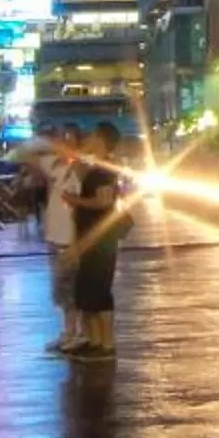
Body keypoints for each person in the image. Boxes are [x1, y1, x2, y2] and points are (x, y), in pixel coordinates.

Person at [63, 124, 132, 362]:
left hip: (101, 239)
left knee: (99, 291)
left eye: (92, 136)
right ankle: (94, 341)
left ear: (101, 140)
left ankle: (106, 344)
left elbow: (103, 202)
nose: (88, 138)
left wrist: (74, 200)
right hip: (92, 237)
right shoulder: (97, 166)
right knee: (87, 291)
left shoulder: (104, 170)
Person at [39, 131, 86, 354]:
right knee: (60, 291)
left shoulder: (78, 170)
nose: (61, 145)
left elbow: (78, 209)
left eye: (67, 141)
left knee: (71, 290)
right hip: (55, 238)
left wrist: (77, 241)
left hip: (68, 240)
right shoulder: (57, 169)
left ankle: (78, 333)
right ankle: (68, 332)